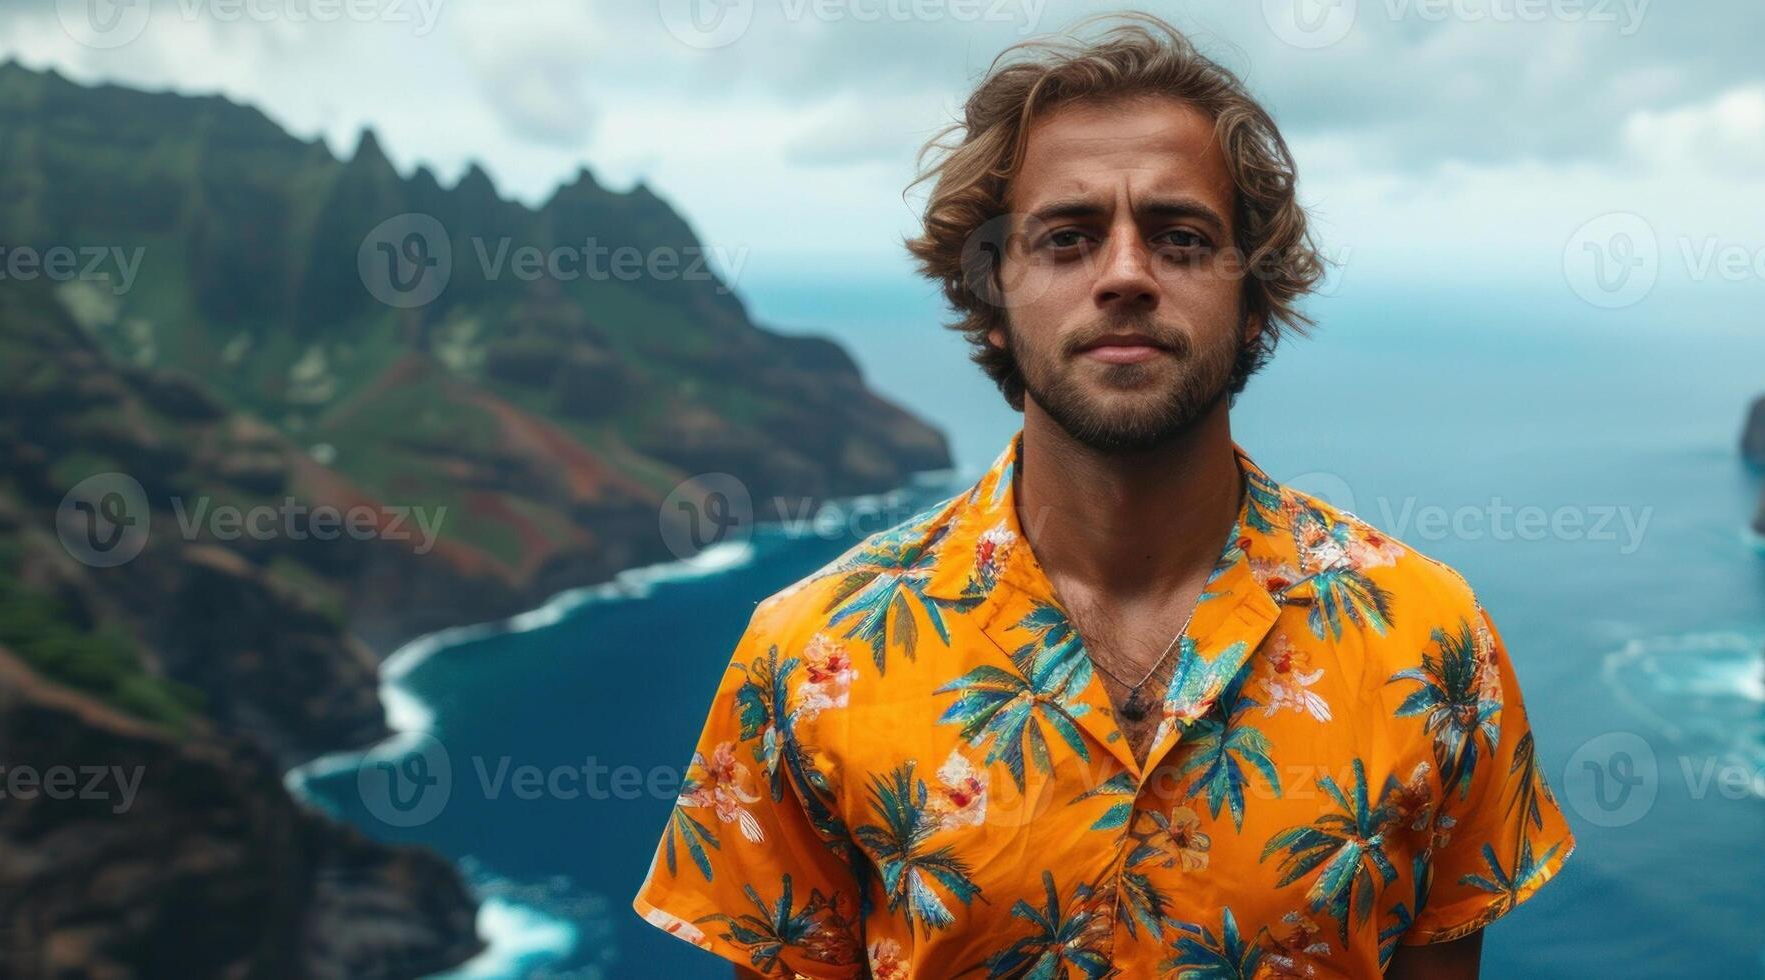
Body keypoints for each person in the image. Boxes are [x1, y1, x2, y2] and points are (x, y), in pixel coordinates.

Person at [633, 14, 1571, 978]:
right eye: (1069, 238)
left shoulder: (1429, 639)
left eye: (1181, 236)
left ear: (1253, 300)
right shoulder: (806, 657)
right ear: (992, 296)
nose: (1125, 274)